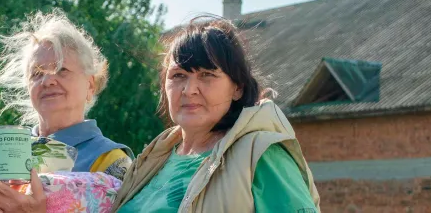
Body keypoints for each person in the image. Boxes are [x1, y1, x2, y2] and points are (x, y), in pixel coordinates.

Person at [112, 16, 321, 212]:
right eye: (178, 75)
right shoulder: (153, 158)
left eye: (207, 75)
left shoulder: (261, 154)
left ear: (237, 88)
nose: (189, 89)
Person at [0, 11, 133, 213]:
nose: (48, 80)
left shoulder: (111, 159)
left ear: (90, 85)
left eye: (61, 70)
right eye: (37, 73)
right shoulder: (1, 152)